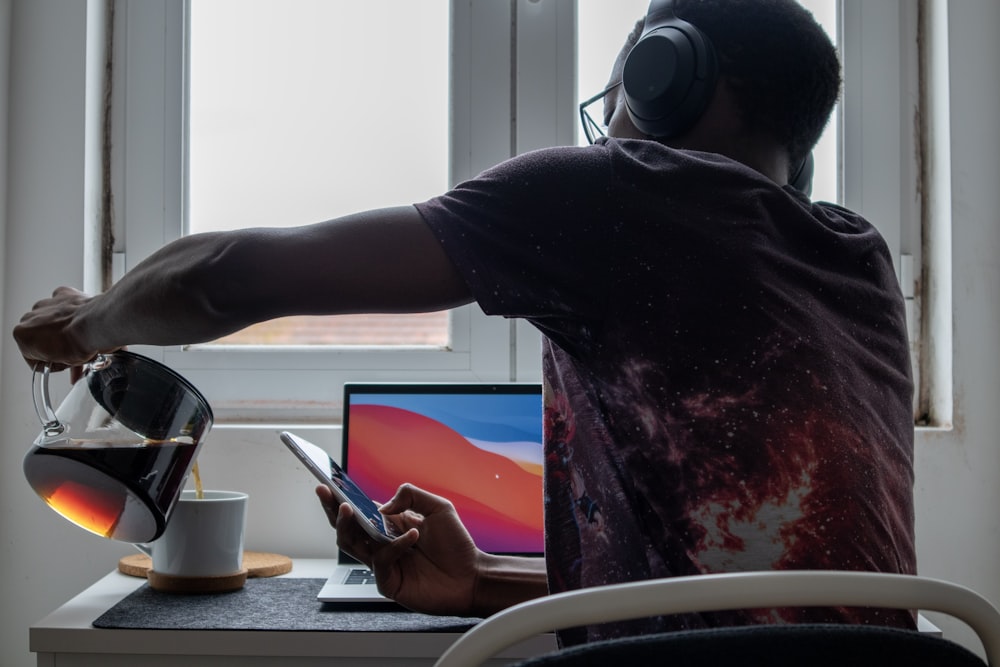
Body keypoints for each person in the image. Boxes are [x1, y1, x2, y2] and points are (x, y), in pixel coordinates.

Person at [14, 0, 916, 645]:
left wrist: (87, 322)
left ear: (664, 71)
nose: (610, 131)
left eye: (617, 97)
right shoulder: (857, 257)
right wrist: (481, 579)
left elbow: (228, 278)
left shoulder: (617, 194)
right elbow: (749, 605)